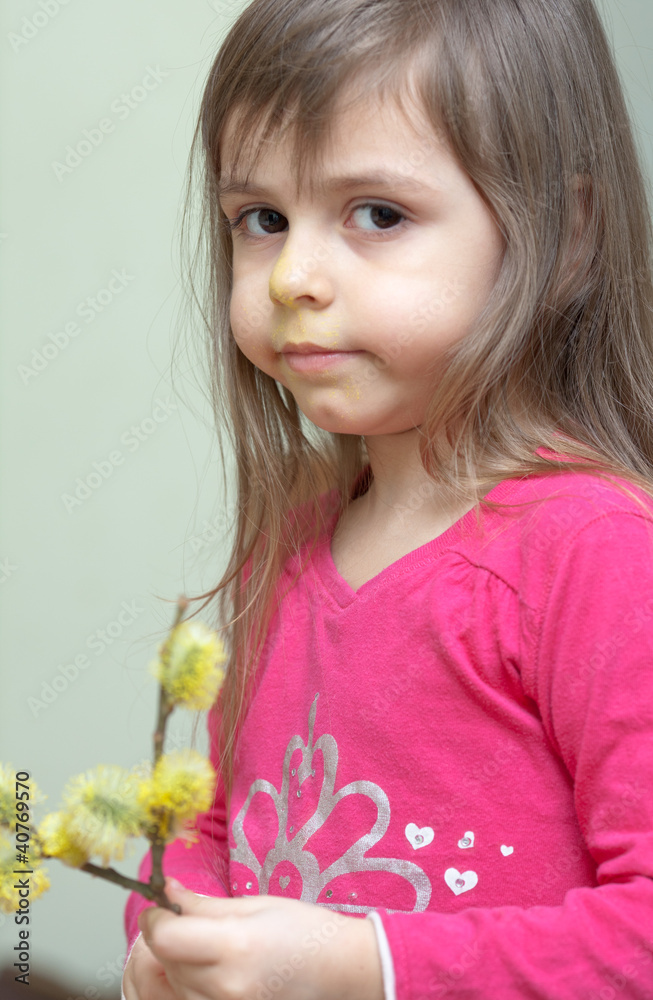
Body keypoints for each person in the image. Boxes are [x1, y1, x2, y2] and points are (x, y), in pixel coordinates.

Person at [122, 0, 653, 996]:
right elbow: (213, 825)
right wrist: (167, 939)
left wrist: (360, 967)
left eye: (377, 214)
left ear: (565, 235)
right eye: (261, 219)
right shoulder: (288, 541)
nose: (293, 276)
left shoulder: (600, 554)